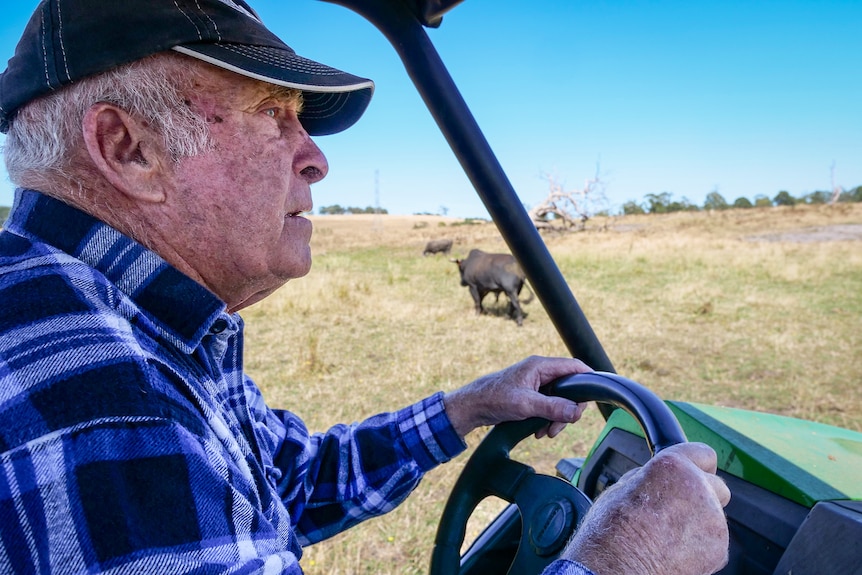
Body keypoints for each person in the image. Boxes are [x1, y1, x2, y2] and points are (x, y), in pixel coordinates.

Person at [0, 1, 730, 574]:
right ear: (129, 149)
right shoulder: (94, 388)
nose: (315, 158)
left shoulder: (141, 324)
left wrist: (468, 406)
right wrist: (622, 560)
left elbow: (284, 480)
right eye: (271, 113)